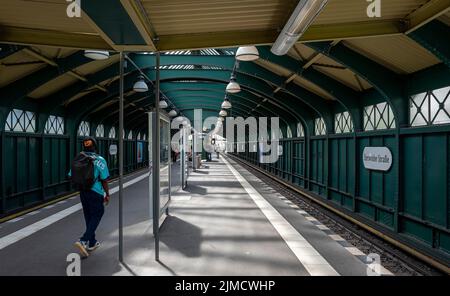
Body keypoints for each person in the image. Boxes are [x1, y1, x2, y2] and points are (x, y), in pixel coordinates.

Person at [69, 137, 110, 258]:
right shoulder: (100, 159)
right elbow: (104, 179)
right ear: (95, 147)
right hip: (96, 192)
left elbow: (71, 174)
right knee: (98, 213)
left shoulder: (78, 158)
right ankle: (83, 240)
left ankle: (92, 243)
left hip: (83, 192)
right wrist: (107, 194)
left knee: (89, 216)